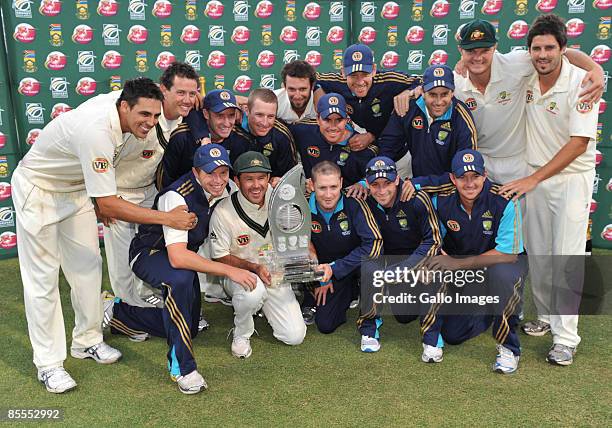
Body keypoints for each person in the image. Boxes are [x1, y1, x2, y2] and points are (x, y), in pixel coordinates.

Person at [11, 78, 195, 393]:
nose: (150, 123)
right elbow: (109, 203)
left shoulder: (128, 102)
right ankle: (49, 365)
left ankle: (87, 340)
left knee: (87, 269)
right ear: (124, 107)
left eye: (154, 116)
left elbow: (156, 98)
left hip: (77, 190)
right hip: (39, 188)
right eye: (144, 116)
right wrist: (167, 218)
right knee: (42, 280)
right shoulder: (96, 130)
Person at [103, 144, 255, 394]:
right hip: (149, 253)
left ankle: (119, 313)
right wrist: (229, 270)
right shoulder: (176, 196)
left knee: (190, 326)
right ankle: (183, 369)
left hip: (182, 256)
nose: (218, 180)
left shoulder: (228, 188)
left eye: (223, 172)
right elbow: (177, 257)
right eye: (210, 173)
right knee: (180, 281)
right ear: (196, 172)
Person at [499, 15, 599, 366]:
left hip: (570, 178)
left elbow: (579, 143)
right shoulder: (527, 72)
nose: (542, 55)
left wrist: (596, 69)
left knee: (566, 257)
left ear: (563, 50)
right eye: (537, 48)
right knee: (539, 254)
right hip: (535, 179)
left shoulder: (582, 84)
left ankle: (566, 338)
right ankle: (543, 316)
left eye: (549, 48)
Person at [451, 19, 604, 185]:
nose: (478, 57)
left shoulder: (515, 63)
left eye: (485, 50)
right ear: (460, 50)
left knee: (519, 212)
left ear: (494, 48)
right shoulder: (455, 82)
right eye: (471, 51)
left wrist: (595, 68)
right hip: (480, 163)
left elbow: (558, 54)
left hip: (519, 163)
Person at [102, 62, 199, 310]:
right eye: (180, 93)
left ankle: (143, 293)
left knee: (147, 247)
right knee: (123, 257)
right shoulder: (138, 117)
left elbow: (206, 100)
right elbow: (100, 159)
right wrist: (100, 199)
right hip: (118, 193)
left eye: (192, 92)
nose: (187, 99)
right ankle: (126, 309)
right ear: (162, 90)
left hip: (150, 191)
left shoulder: (184, 116)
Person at [432, 149, 527, 374]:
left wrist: (457, 264)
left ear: (484, 175)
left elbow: (509, 254)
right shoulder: (441, 202)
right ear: (453, 179)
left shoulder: (504, 200)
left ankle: (509, 348)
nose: (469, 183)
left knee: (501, 275)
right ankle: (492, 307)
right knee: (452, 335)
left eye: (475, 176)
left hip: (502, 265)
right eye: (462, 177)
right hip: (469, 271)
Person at [208, 152, 306, 358]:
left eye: (261, 178)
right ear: (237, 180)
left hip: (274, 273)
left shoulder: (281, 198)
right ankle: (242, 334)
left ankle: (259, 306)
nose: (256, 185)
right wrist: (253, 268)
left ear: (269, 178)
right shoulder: (223, 210)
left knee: (294, 336)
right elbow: (219, 256)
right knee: (253, 292)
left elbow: (297, 230)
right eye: (249, 179)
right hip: (240, 274)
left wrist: (306, 259)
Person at [364, 156, 445, 362]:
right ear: (367, 184)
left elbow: (434, 241)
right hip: (392, 261)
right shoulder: (364, 201)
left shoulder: (417, 199)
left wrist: (406, 268)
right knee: (404, 315)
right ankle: (370, 326)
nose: (382, 191)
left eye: (387, 183)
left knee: (432, 272)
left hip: (418, 258)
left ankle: (432, 340)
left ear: (398, 180)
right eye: (375, 185)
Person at [304, 161, 384, 352]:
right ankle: (350, 291)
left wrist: (336, 268)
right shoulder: (303, 207)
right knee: (325, 324)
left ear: (341, 182)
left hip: (355, 265)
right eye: (322, 188)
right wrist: (320, 278)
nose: (329, 194)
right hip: (328, 271)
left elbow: (375, 243)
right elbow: (300, 247)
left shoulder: (354, 204)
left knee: (372, 267)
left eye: (333, 187)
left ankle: (369, 328)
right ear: (312, 185)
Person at [377, 64, 477, 199]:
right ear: (422, 92)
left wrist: (420, 184)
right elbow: (387, 148)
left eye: (444, 94)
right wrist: (379, 176)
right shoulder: (408, 108)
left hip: (452, 193)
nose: (438, 101)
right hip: (417, 189)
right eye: (432, 94)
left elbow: (466, 172)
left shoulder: (461, 117)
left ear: (452, 92)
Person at [315, 44, 420, 152]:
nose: (360, 82)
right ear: (343, 72)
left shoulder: (389, 80)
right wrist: (319, 103)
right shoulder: (335, 81)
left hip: (398, 153)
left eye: (365, 74)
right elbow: (312, 78)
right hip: (364, 151)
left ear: (374, 70)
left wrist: (408, 91)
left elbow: (421, 81)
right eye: (353, 75)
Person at [289, 93, 377, 197]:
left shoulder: (362, 146)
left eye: (339, 120)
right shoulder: (303, 131)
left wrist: (363, 183)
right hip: (312, 197)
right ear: (318, 119)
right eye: (327, 120)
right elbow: (278, 133)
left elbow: (379, 173)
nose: (333, 126)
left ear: (346, 120)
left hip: (346, 202)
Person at [158, 89, 245, 188]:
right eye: (219, 116)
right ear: (206, 114)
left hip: (221, 198)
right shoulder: (182, 138)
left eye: (231, 115)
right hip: (182, 198)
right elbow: (164, 180)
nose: (226, 122)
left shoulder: (242, 140)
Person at [232, 88, 298, 186]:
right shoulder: (231, 130)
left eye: (271, 116)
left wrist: (280, 181)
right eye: (259, 115)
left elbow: (291, 175)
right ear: (246, 110)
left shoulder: (282, 135)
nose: (265, 123)